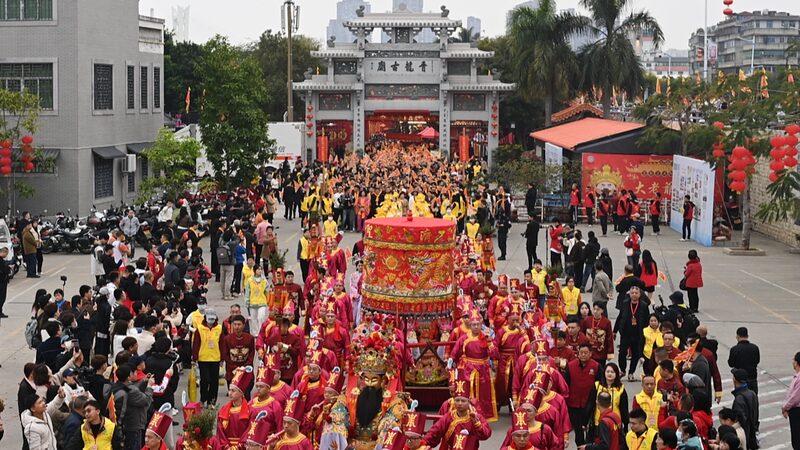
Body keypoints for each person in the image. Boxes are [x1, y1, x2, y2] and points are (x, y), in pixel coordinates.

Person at [424, 371, 492, 449]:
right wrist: (423, 442)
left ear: (469, 401)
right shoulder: (448, 416)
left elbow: (486, 434)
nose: (459, 403)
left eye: (463, 401)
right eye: (457, 400)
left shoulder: (476, 416)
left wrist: (476, 423)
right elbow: (435, 431)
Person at [108, 364, 154, 450]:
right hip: (134, 425)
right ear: (129, 377)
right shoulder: (131, 390)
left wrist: (144, 382)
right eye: (133, 372)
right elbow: (146, 400)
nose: (135, 373)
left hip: (126, 425)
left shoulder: (118, 386)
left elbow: (135, 390)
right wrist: (149, 386)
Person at [565, 343, 600, 446]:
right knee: (578, 433)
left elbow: (600, 385)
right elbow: (566, 385)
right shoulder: (570, 366)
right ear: (578, 353)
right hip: (574, 403)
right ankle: (580, 446)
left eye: (586, 353)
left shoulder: (596, 366)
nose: (583, 355)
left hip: (590, 404)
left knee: (590, 432)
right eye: (581, 353)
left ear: (590, 354)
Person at [614, 286, 649, 380]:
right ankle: (622, 370)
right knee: (622, 352)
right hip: (626, 333)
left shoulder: (643, 305)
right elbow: (620, 317)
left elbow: (647, 320)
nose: (634, 294)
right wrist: (615, 331)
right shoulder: (625, 304)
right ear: (629, 294)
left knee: (635, 354)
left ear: (639, 294)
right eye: (632, 293)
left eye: (636, 293)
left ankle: (631, 372)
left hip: (638, 334)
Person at [192, 307, 223, 406]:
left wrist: (222, 358)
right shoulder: (200, 329)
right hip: (203, 358)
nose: (211, 322)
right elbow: (196, 344)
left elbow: (222, 344)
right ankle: (203, 398)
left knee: (214, 381)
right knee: (205, 380)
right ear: (205, 318)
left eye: (212, 320)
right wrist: (195, 357)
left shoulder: (219, 328)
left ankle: (212, 402)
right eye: (209, 319)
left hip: (215, 358)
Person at [730, 368, 759, 450]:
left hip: (744, 433)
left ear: (735, 380)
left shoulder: (739, 399)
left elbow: (740, 419)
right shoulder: (752, 393)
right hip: (752, 431)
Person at [727, 327, 760, 395]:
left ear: (737, 337)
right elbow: (757, 361)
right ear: (747, 336)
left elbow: (731, 364)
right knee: (753, 398)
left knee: (741, 398)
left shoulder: (734, 349)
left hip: (740, 379)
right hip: (752, 377)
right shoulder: (755, 348)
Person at [782, 351, 800, 450]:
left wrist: (785, 407)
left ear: (797, 363)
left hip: (797, 412)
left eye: (793, 360)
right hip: (794, 410)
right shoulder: (797, 376)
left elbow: (795, 398)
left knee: (797, 440)